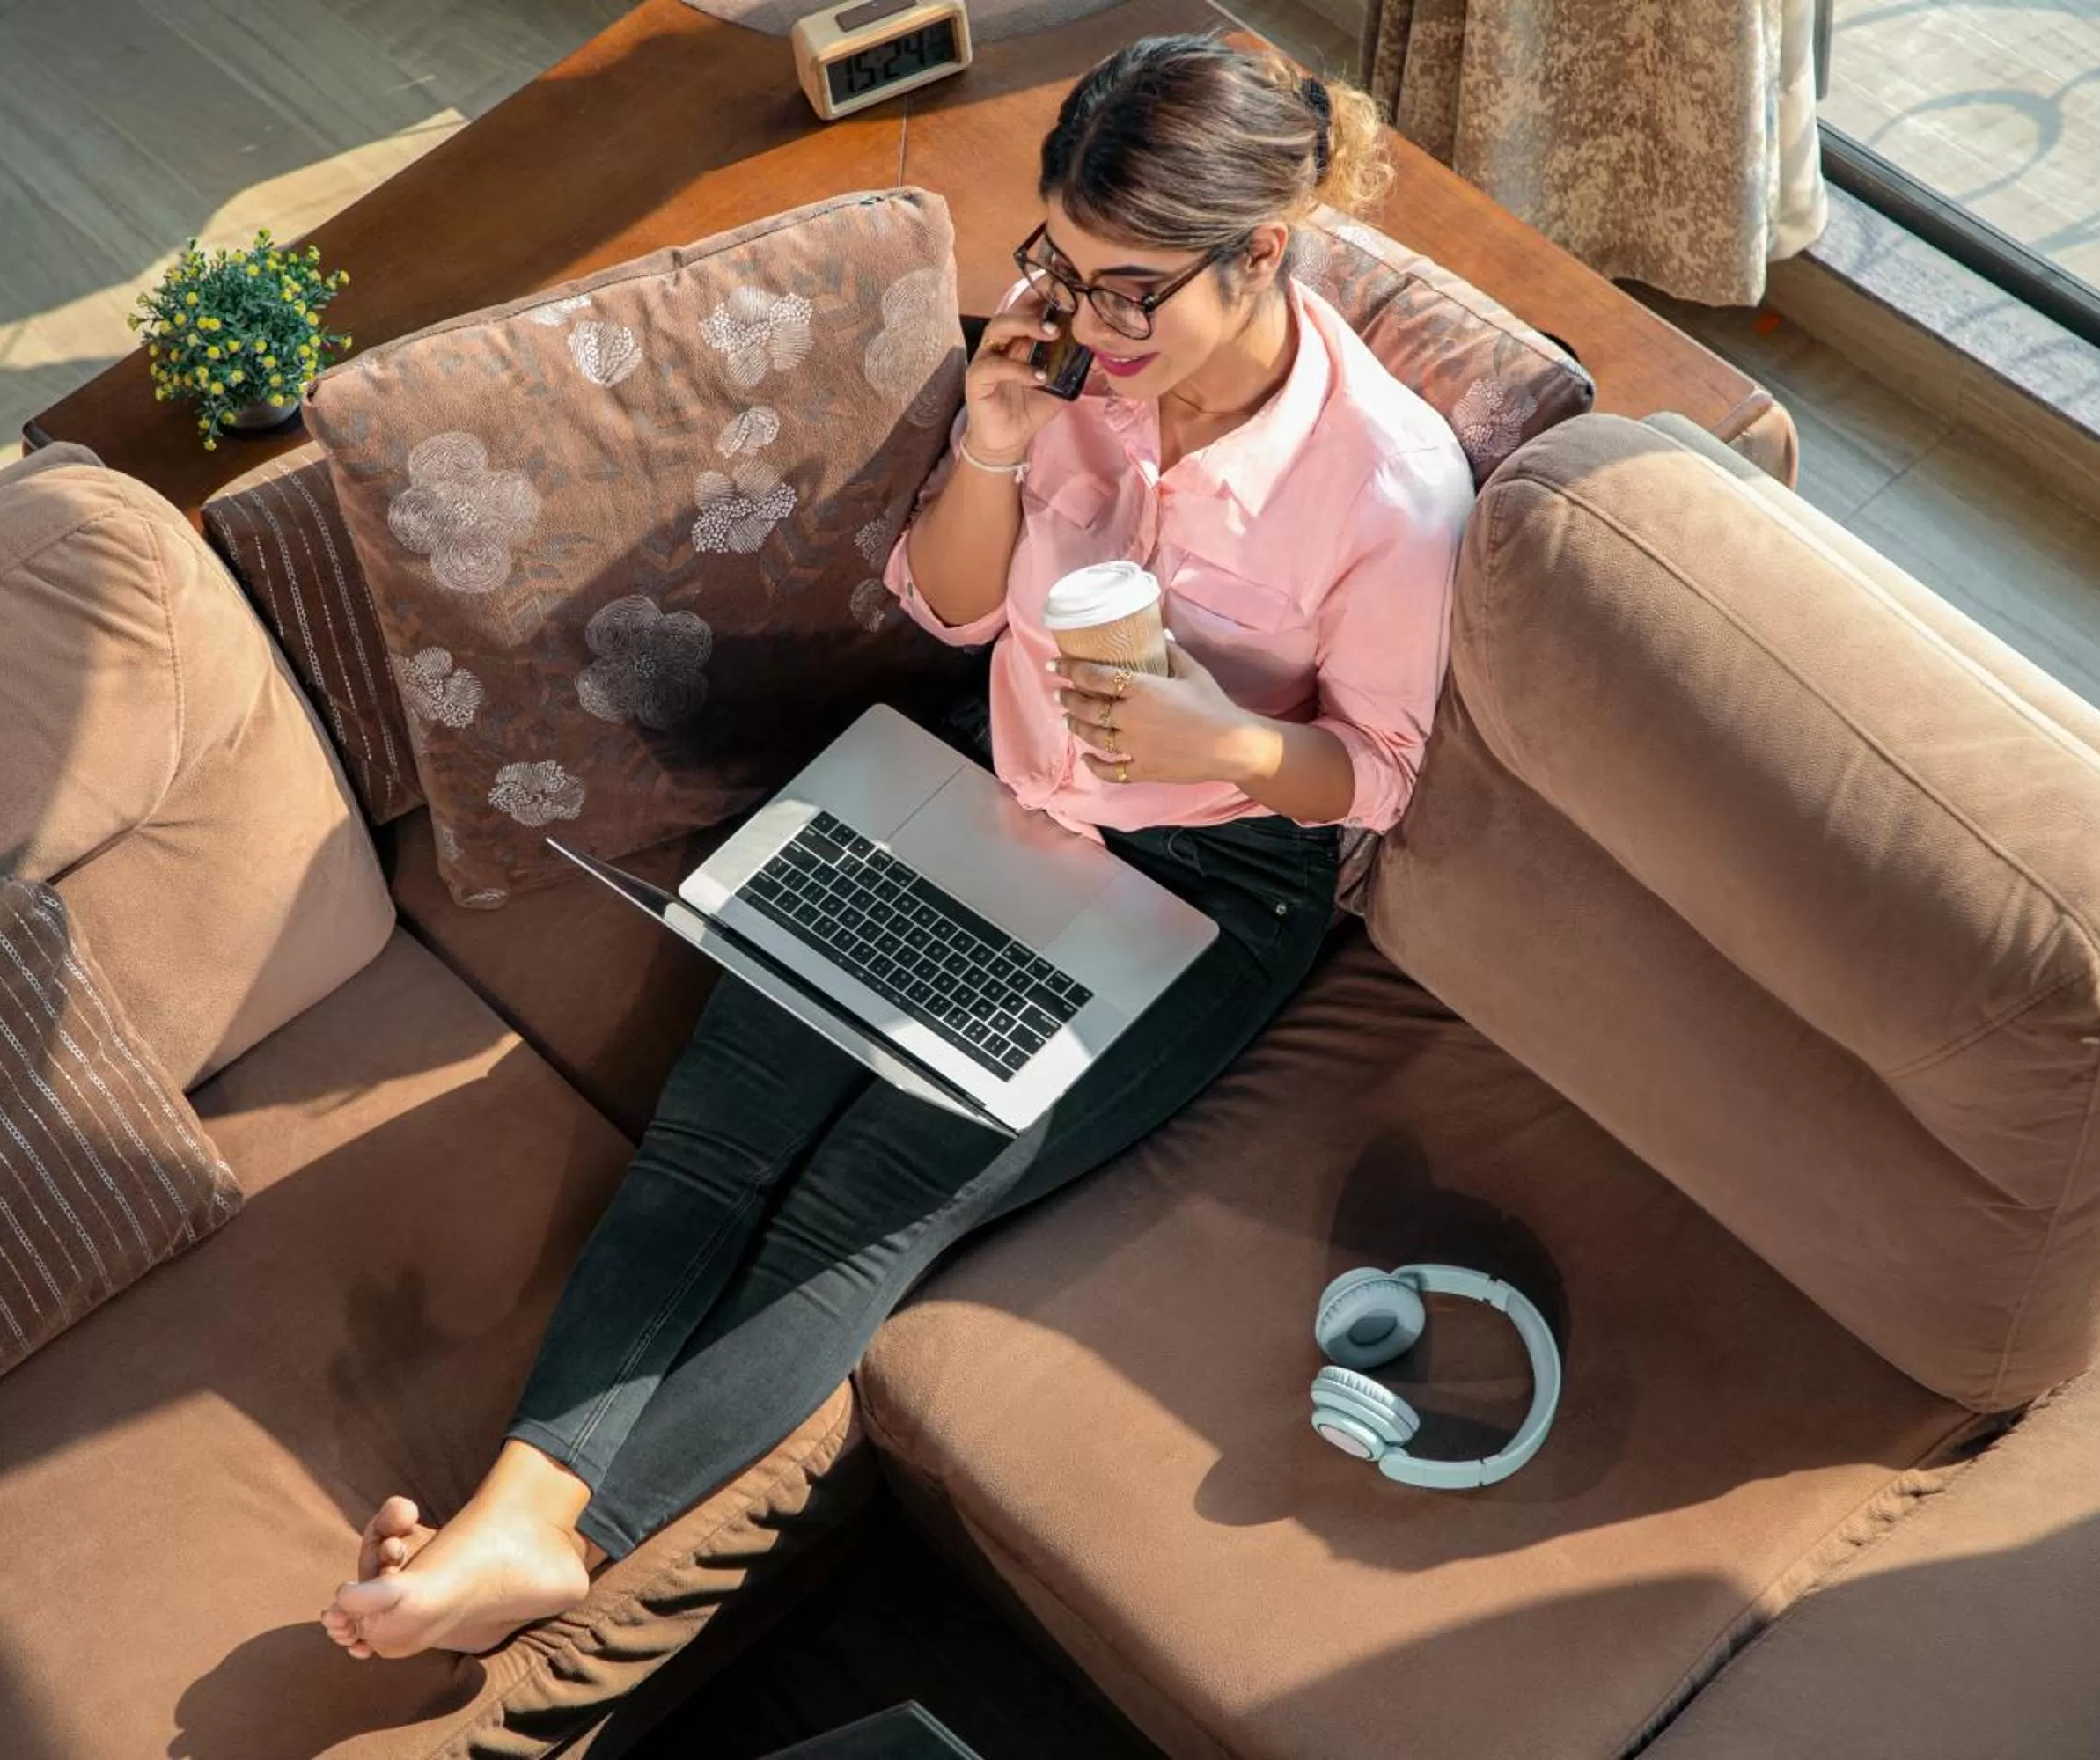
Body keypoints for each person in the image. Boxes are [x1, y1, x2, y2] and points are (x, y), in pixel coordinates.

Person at [320, 33, 1475, 1661]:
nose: (1089, 320)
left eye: (1134, 287)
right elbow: (945, 603)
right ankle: (511, 1523)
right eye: (1063, 267)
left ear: (1262, 252)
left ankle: (569, 1538)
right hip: (974, 776)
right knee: (708, 1148)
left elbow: (1378, 778)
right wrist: (999, 431)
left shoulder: (1391, 488)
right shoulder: (1068, 372)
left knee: (859, 1210)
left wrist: (1220, 742)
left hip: (1208, 884)